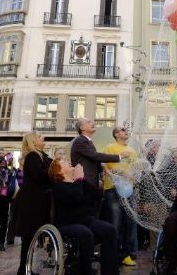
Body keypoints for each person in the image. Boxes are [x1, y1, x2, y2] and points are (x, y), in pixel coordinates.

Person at [49, 157, 119, 275]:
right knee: (85, 232)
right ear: (59, 171)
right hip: (67, 223)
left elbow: (97, 194)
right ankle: (85, 271)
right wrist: (79, 179)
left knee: (110, 230)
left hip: (86, 220)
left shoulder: (79, 182)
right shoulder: (58, 186)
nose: (69, 162)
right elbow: (75, 198)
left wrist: (85, 179)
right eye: (64, 162)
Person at [14, 133, 54, 275]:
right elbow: (40, 175)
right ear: (33, 141)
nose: (43, 137)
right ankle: (23, 270)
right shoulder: (32, 156)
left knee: (32, 237)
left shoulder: (42, 156)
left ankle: (25, 269)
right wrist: (55, 172)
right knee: (28, 237)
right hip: (31, 202)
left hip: (39, 201)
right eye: (40, 136)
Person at [102, 123, 138, 266]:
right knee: (115, 222)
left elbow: (135, 168)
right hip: (114, 189)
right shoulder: (110, 147)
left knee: (131, 223)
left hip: (130, 190)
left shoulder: (132, 150)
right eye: (122, 130)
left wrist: (134, 176)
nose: (125, 131)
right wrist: (121, 172)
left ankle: (129, 254)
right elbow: (105, 165)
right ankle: (114, 254)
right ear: (116, 134)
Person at [70, 118, 130, 189]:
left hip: (90, 183)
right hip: (85, 183)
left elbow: (93, 159)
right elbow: (95, 155)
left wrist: (102, 170)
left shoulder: (87, 141)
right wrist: (120, 156)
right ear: (82, 128)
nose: (92, 123)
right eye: (88, 122)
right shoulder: (80, 140)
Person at [6, 155, 24, 246]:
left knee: (25, 217)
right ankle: (10, 238)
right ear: (19, 161)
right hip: (16, 197)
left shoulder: (29, 172)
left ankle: (24, 237)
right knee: (13, 217)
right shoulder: (15, 171)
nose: (23, 161)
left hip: (26, 197)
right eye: (22, 159)